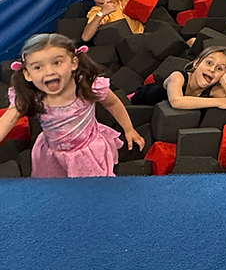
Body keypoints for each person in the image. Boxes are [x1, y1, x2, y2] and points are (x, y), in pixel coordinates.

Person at [0, 34, 144, 177]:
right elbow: (6, 121)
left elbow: (112, 103)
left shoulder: (87, 86)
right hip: (52, 155)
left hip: (87, 151)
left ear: (73, 63)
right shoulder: (31, 95)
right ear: (27, 74)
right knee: (55, 187)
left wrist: (129, 129)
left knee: (91, 187)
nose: (49, 72)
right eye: (38, 67)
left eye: (57, 62)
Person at [130, 46, 226, 109]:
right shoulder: (178, 76)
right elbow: (176, 101)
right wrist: (219, 102)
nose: (212, 69)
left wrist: (224, 81)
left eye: (220, 69)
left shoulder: (213, 91)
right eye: (209, 63)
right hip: (137, 101)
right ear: (196, 64)